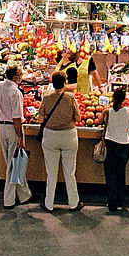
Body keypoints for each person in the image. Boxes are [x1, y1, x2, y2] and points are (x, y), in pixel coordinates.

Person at [36, 71, 84, 212]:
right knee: (69, 172)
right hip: (68, 136)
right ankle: (73, 203)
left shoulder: (47, 97)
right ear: (64, 83)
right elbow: (78, 118)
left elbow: (40, 119)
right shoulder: (70, 97)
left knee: (51, 173)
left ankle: (49, 204)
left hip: (50, 136)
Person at [0, 63, 33, 208]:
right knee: (13, 165)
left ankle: (24, 195)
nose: (22, 77)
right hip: (13, 129)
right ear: (15, 77)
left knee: (14, 162)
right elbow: (17, 117)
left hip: (2, 127)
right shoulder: (16, 92)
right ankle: (8, 200)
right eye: (20, 75)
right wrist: (20, 135)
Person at [102, 86, 129, 212]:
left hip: (110, 145)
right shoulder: (128, 111)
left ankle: (111, 202)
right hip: (123, 147)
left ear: (113, 98)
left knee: (110, 175)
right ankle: (120, 201)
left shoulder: (107, 111)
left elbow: (98, 121)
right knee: (120, 174)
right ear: (124, 99)